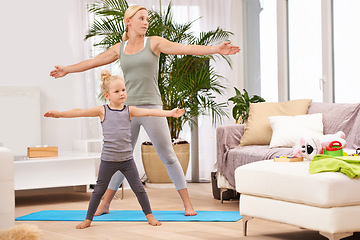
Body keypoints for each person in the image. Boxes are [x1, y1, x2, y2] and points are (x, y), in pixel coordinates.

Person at [50, 5, 241, 217]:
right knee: (119, 158)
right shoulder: (119, 48)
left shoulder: (154, 43)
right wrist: (67, 69)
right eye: (141, 18)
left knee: (168, 155)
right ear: (128, 21)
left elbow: (184, 48)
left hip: (151, 108)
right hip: (126, 110)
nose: (145, 22)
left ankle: (188, 204)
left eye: (147, 19)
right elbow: (93, 62)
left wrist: (215, 49)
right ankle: (104, 204)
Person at [44, 70, 185, 229]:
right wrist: (60, 114)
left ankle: (150, 217)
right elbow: (80, 112)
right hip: (108, 160)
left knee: (139, 188)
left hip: (127, 161)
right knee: (98, 191)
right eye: (117, 91)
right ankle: (88, 220)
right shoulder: (102, 110)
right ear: (107, 95)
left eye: (123, 90)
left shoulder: (129, 110)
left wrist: (170, 113)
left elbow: (150, 111)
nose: (122, 93)